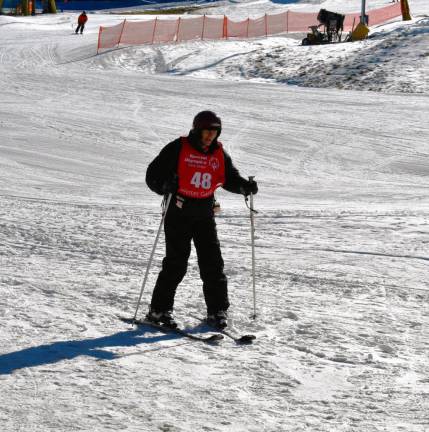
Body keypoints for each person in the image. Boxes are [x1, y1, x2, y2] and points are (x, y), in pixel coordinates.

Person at [145, 111, 258, 329]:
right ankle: (159, 310)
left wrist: (244, 186)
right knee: (176, 264)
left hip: (205, 213)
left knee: (213, 264)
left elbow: (229, 178)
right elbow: (152, 174)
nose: (210, 136)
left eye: (214, 132)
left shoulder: (218, 153)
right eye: (207, 132)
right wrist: (163, 186)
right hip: (178, 212)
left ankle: (217, 311)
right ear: (198, 130)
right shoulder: (179, 147)